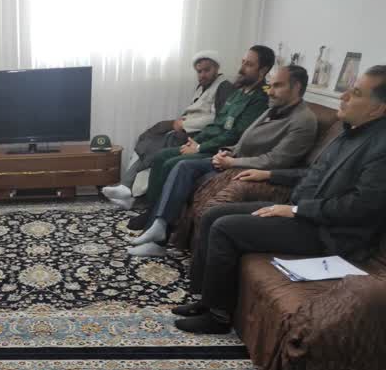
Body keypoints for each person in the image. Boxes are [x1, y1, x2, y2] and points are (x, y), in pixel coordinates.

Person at [173, 66, 386, 334]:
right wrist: (270, 174)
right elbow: (312, 173)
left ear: (378, 109)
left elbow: (361, 207)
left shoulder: (380, 147)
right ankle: (204, 298)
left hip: (329, 233)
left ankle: (217, 316)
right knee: (214, 214)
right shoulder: (350, 132)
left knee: (225, 228)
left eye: (355, 93)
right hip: (303, 214)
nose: (343, 98)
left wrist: (296, 210)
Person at [128, 65, 318, 256]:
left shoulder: (303, 121)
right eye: (271, 85)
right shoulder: (274, 108)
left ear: (296, 87)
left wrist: (232, 163)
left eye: (278, 86)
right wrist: (227, 152)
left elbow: (275, 160)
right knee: (183, 166)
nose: (270, 91)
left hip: (252, 171)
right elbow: (245, 139)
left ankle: (159, 239)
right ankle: (160, 227)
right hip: (235, 159)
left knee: (184, 166)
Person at [126, 45, 274, 230]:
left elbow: (235, 135)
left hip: (223, 151)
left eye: (249, 64)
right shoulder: (238, 92)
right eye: (243, 62)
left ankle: (159, 223)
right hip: (208, 143)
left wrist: (199, 148)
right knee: (160, 157)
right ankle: (151, 211)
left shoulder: (260, 99)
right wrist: (197, 141)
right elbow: (217, 123)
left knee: (173, 163)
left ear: (263, 70)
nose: (242, 68)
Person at [103, 50, 234, 208]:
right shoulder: (202, 86)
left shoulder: (224, 87)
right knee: (147, 141)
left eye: (207, 70)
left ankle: (128, 190)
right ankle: (129, 192)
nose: (202, 75)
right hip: (186, 130)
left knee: (152, 148)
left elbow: (217, 119)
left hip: (197, 136)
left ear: (217, 68)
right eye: (199, 71)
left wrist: (185, 125)